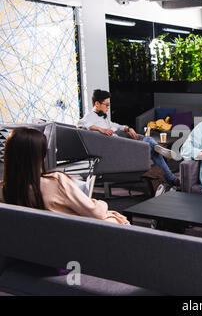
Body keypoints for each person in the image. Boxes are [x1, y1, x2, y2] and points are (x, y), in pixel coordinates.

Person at [0, 127, 130, 225]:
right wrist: (100, 204)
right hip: (72, 241)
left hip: (33, 247)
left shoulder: (3, 191)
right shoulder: (56, 182)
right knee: (115, 219)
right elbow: (95, 212)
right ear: (41, 157)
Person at [78, 89, 179, 187]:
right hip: (117, 150)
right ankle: (161, 150)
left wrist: (128, 128)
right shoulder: (89, 116)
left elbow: (115, 125)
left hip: (121, 145)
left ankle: (171, 178)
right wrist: (101, 129)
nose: (108, 107)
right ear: (97, 104)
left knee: (154, 151)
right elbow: (79, 124)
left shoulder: (103, 117)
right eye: (107, 105)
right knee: (149, 141)